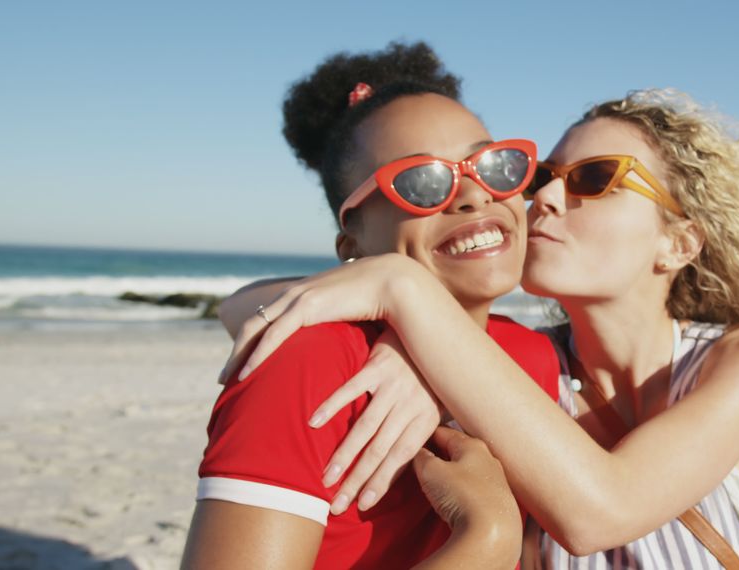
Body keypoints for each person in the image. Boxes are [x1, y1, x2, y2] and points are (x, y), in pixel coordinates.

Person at [221, 88, 739, 568]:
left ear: (678, 241)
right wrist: (414, 335)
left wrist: (402, 288)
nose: (544, 199)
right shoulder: (514, 365)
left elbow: (602, 511)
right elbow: (239, 306)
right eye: (543, 176)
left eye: (595, 180)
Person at [181, 42, 562, 569]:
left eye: (493, 165)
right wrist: (485, 542)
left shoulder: (531, 356)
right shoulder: (306, 364)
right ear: (352, 247)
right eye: (422, 182)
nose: (473, 195)